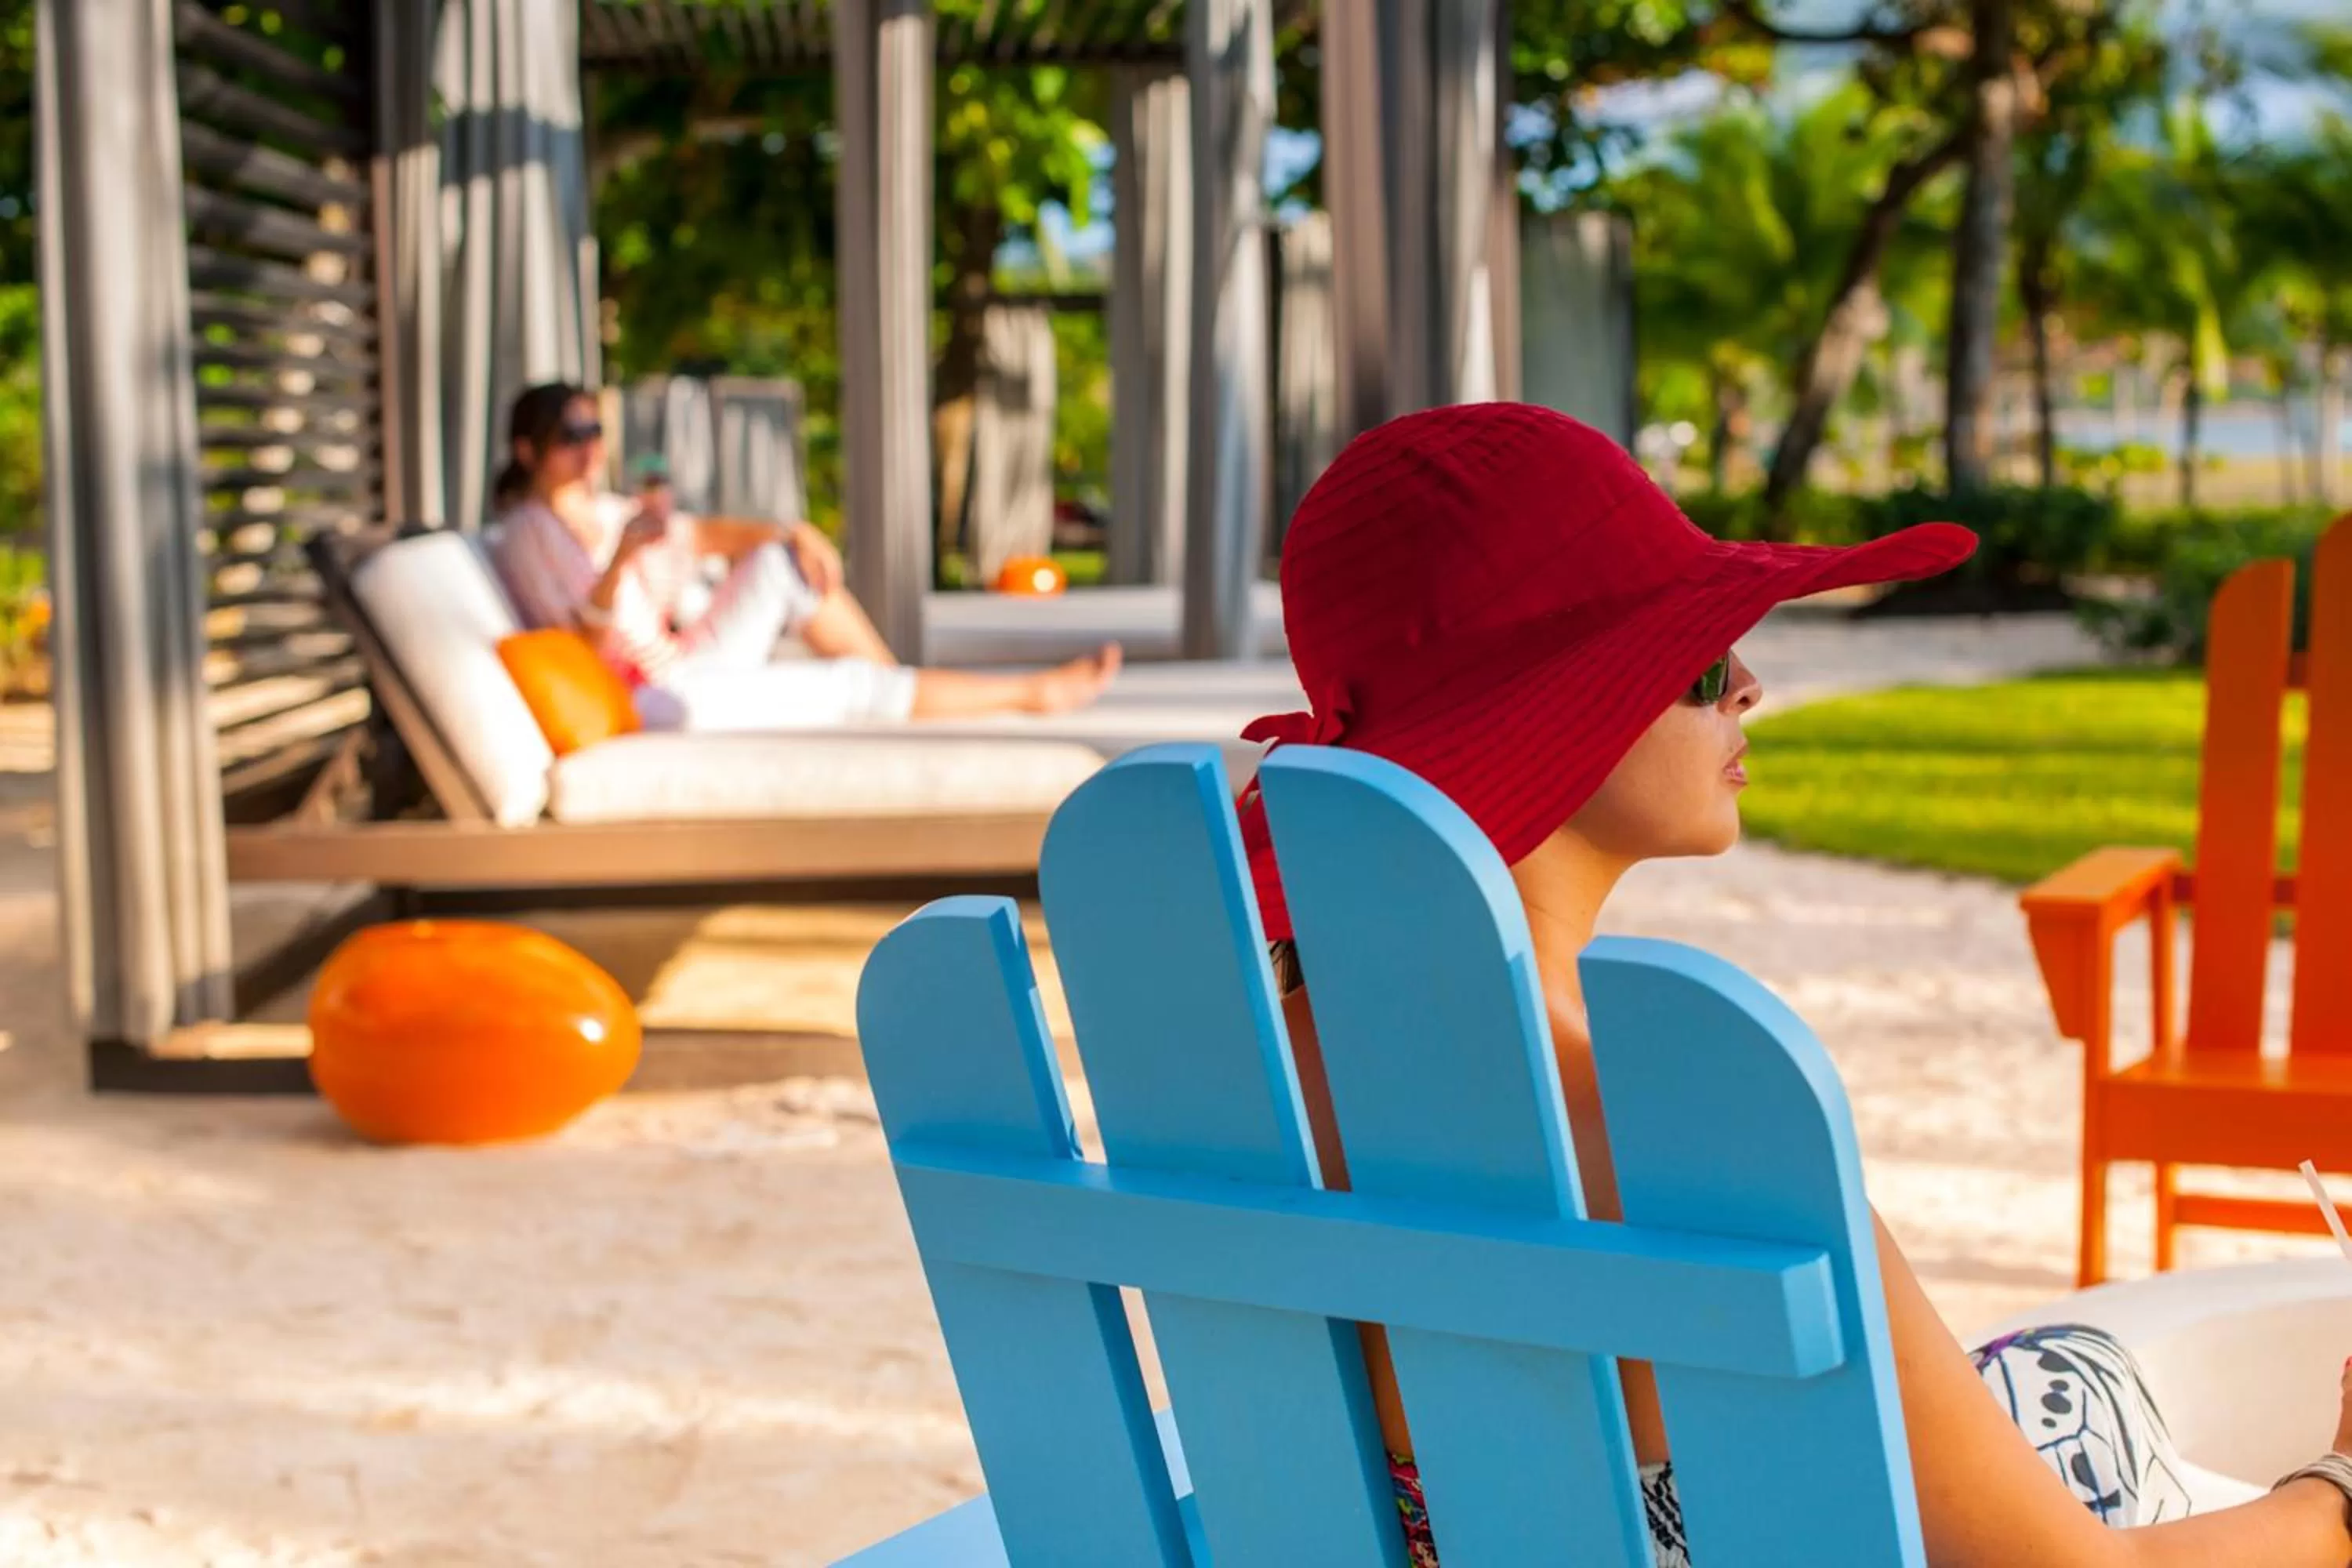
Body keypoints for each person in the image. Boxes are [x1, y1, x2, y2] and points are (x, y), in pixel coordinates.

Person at [1238, 402, 2352, 1567]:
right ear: (1547, 714)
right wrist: (2337, 1482)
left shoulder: (1253, 1076)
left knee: (2061, 1369)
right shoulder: (1700, 1132)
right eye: (1701, 662)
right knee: (2088, 1389)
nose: (1750, 685)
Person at [488, 383, 1120, 731]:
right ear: (527, 449)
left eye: (595, 431)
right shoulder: (526, 533)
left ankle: (897, 687)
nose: (590, 447)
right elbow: (582, 645)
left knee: (781, 563)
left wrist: (795, 532)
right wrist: (621, 561)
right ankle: (1028, 693)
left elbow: (703, 535)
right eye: (571, 435)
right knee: (847, 685)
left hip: (680, 659)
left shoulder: (604, 509)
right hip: (655, 699)